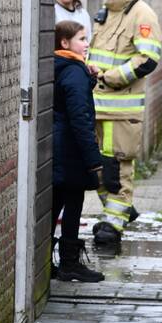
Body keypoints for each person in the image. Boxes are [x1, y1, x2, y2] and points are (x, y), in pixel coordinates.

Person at [87, 0, 162, 245]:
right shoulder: (106, 13)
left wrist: (111, 77)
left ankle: (113, 224)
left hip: (121, 109)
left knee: (117, 166)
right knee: (95, 166)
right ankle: (118, 211)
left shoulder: (142, 15)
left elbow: (148, 59)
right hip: (96, 104)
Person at [52, 20, 105, 282]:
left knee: (54, 203)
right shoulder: (74, 71)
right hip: (71, 149)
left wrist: (89, 78)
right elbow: (80, 117)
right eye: (82, 39)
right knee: (73, 202)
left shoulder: (59, 65)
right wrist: (94, 160)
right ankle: (70, 263)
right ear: (65, 42)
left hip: (58, 148)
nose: (87, 44)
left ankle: (45, 261)